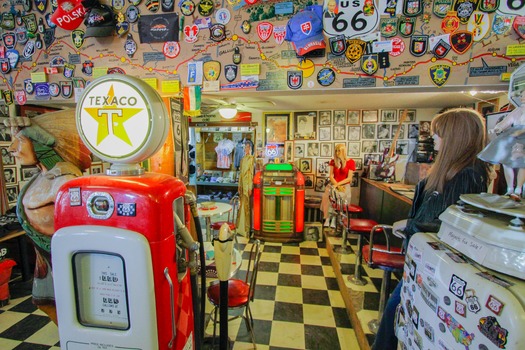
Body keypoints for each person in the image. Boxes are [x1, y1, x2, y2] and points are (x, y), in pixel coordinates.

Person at [372, 108, 492, 350]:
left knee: (394, 315)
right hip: (422, 261)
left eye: (439, 134)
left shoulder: (467, 175)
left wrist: (410, 225)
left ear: (456, 137)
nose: (434, 139)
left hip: (436, 267)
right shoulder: (454, 171)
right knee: (399, 316)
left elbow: (451, 226)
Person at [3, 110, 91, 324]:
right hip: (46, 259)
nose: (12, 149)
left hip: (65, 259)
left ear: (42, 144)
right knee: (48, 304)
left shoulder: (65, 179)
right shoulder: (44, 176)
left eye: (20, 141)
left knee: (71, 310)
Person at [478, 90, 525, 199]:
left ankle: (518, 188)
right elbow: (507, 121)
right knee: (506, 162)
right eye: (522, 96)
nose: (522, 98)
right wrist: (497, 128)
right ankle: (510, 189)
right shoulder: (517, 111)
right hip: (515, 137)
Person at [320, 144, 356, 227]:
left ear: (343, 151)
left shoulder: (351, 162)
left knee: (338, 199)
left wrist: (338, 185)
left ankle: (335, 219)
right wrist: (335, 185)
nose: (337, 152)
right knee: (329, 197)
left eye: (339, 150)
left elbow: (349, 178)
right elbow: (331, 176)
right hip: (334, 185)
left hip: (344, 186)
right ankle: (328, 218)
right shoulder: (333, 161)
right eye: (336, 150)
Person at [237, 141, 255, 237]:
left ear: (250, 148)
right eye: (245, 147)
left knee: (247, 206)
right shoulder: (243, 159)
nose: (246, 149)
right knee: (242, 205)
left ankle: (247, 228)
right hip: (243, 185)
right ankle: (241, 227)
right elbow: (240, 173)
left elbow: (251, 174)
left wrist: (250, 187)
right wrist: (239, 185)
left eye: (247, 147)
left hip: (247, 185)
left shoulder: (251, 159)